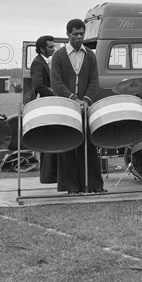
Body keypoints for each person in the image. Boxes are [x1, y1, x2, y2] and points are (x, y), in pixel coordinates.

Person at [50, 19, 106, 193]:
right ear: (68, 35)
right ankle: (71, 186)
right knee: (68, 143)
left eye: (82, 34)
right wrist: (73, 98)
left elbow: (94, 81)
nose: (79, 37)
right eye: (76, 34)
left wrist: (86, 100)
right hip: (66, 106)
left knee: (88, 145)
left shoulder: (89, 55)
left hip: (85, 107)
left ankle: (93, 185)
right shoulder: (58, 56)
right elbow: (56, 82)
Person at [30, 35, 58, 184]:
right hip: (45, 105)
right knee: (48, 139)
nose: (53, 49)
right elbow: (38, 86)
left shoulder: (47, 61)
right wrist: (57, 93)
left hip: (51, 104)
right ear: (42, 48)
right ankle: (48, 176)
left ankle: (52, 174)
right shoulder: (37, 63)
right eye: (50, 47)